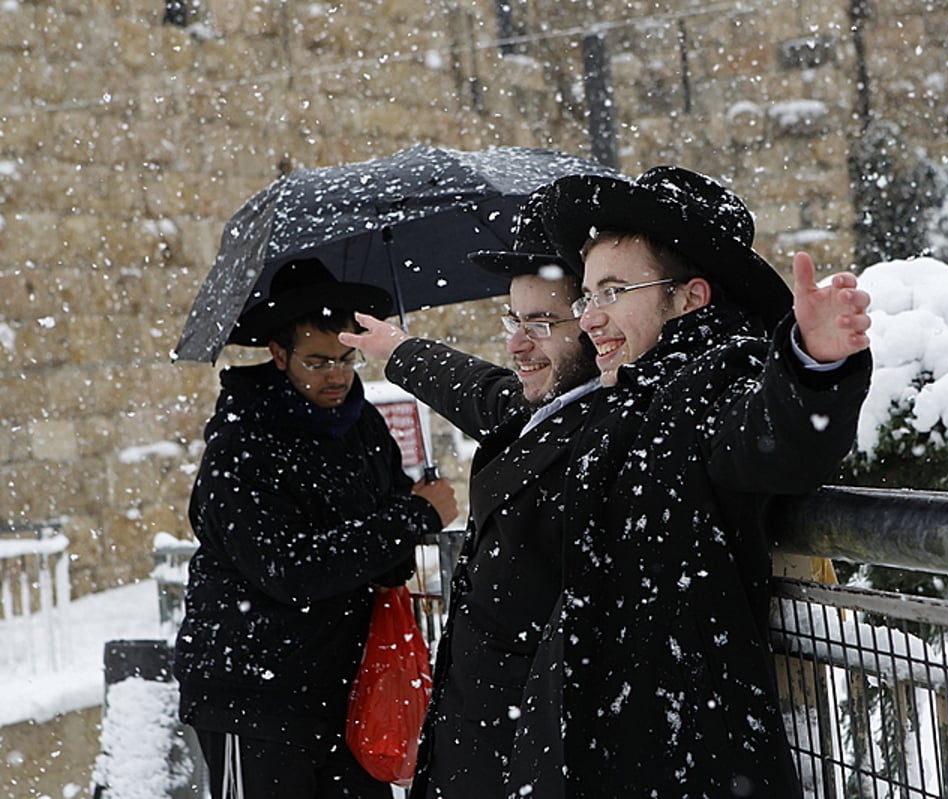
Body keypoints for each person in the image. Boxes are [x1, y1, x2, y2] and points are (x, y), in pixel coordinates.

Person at [505, 165, 873, 798]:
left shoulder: (715, 378)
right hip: (611, 748)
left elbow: (774, 439)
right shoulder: (625, 393)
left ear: (690, 297)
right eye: (587, 296)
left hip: (682, 760)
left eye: (614, 291)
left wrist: (813, 364)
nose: (590, 318)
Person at [339, 207, 601, 798]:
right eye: (513, 318)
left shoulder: (607, 428)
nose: (516, 343)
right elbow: (479, 390)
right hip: (475, 730)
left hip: (528, 749)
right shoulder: (539, 404)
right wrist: (399, 349)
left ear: (595, 322)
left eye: (541, 323)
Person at [173, 258, 458, 799]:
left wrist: (413, 509)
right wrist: (414, 516)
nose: (337, 376)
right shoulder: (242, 444)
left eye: (348, 360)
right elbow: (289, 570)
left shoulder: (363, 425)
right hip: (254, 698)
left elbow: (387, 559)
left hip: (347, 689)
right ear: (279, 355)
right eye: (318, 360)